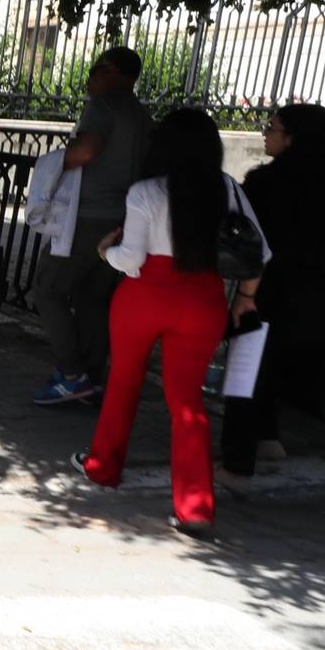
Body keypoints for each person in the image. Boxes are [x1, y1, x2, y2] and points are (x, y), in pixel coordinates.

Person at [73, 109, 267, 535]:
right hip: (202, 301)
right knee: (187, 403)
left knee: (124, 381)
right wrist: (246, 299)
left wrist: (106, 250)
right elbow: (258, 253)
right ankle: (195, 505)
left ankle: (103, 467)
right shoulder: (229, 190)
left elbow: (133, 259)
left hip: (144, 298)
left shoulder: (145, 192)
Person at [216, 105, 325, 484]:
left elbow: (248, 240)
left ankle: (236, 462)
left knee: (247, 372)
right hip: (321, 294)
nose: (266, 134)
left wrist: (245, 293)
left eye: (273, 128)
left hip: (268, 291)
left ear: (294, 136)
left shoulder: (268, 183)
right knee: (281, 367)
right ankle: (267, 438)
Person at [32, 46, 152, 405]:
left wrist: (50, 165)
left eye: (97, 68)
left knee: (48, 289)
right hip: (122, 218)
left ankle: (71, 374)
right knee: (92, 298)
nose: (90, 77)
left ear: (113, 71)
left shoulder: (104, 107)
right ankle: (92, 379)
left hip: (86, 217)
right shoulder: (143, 116)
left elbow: (85, 152)